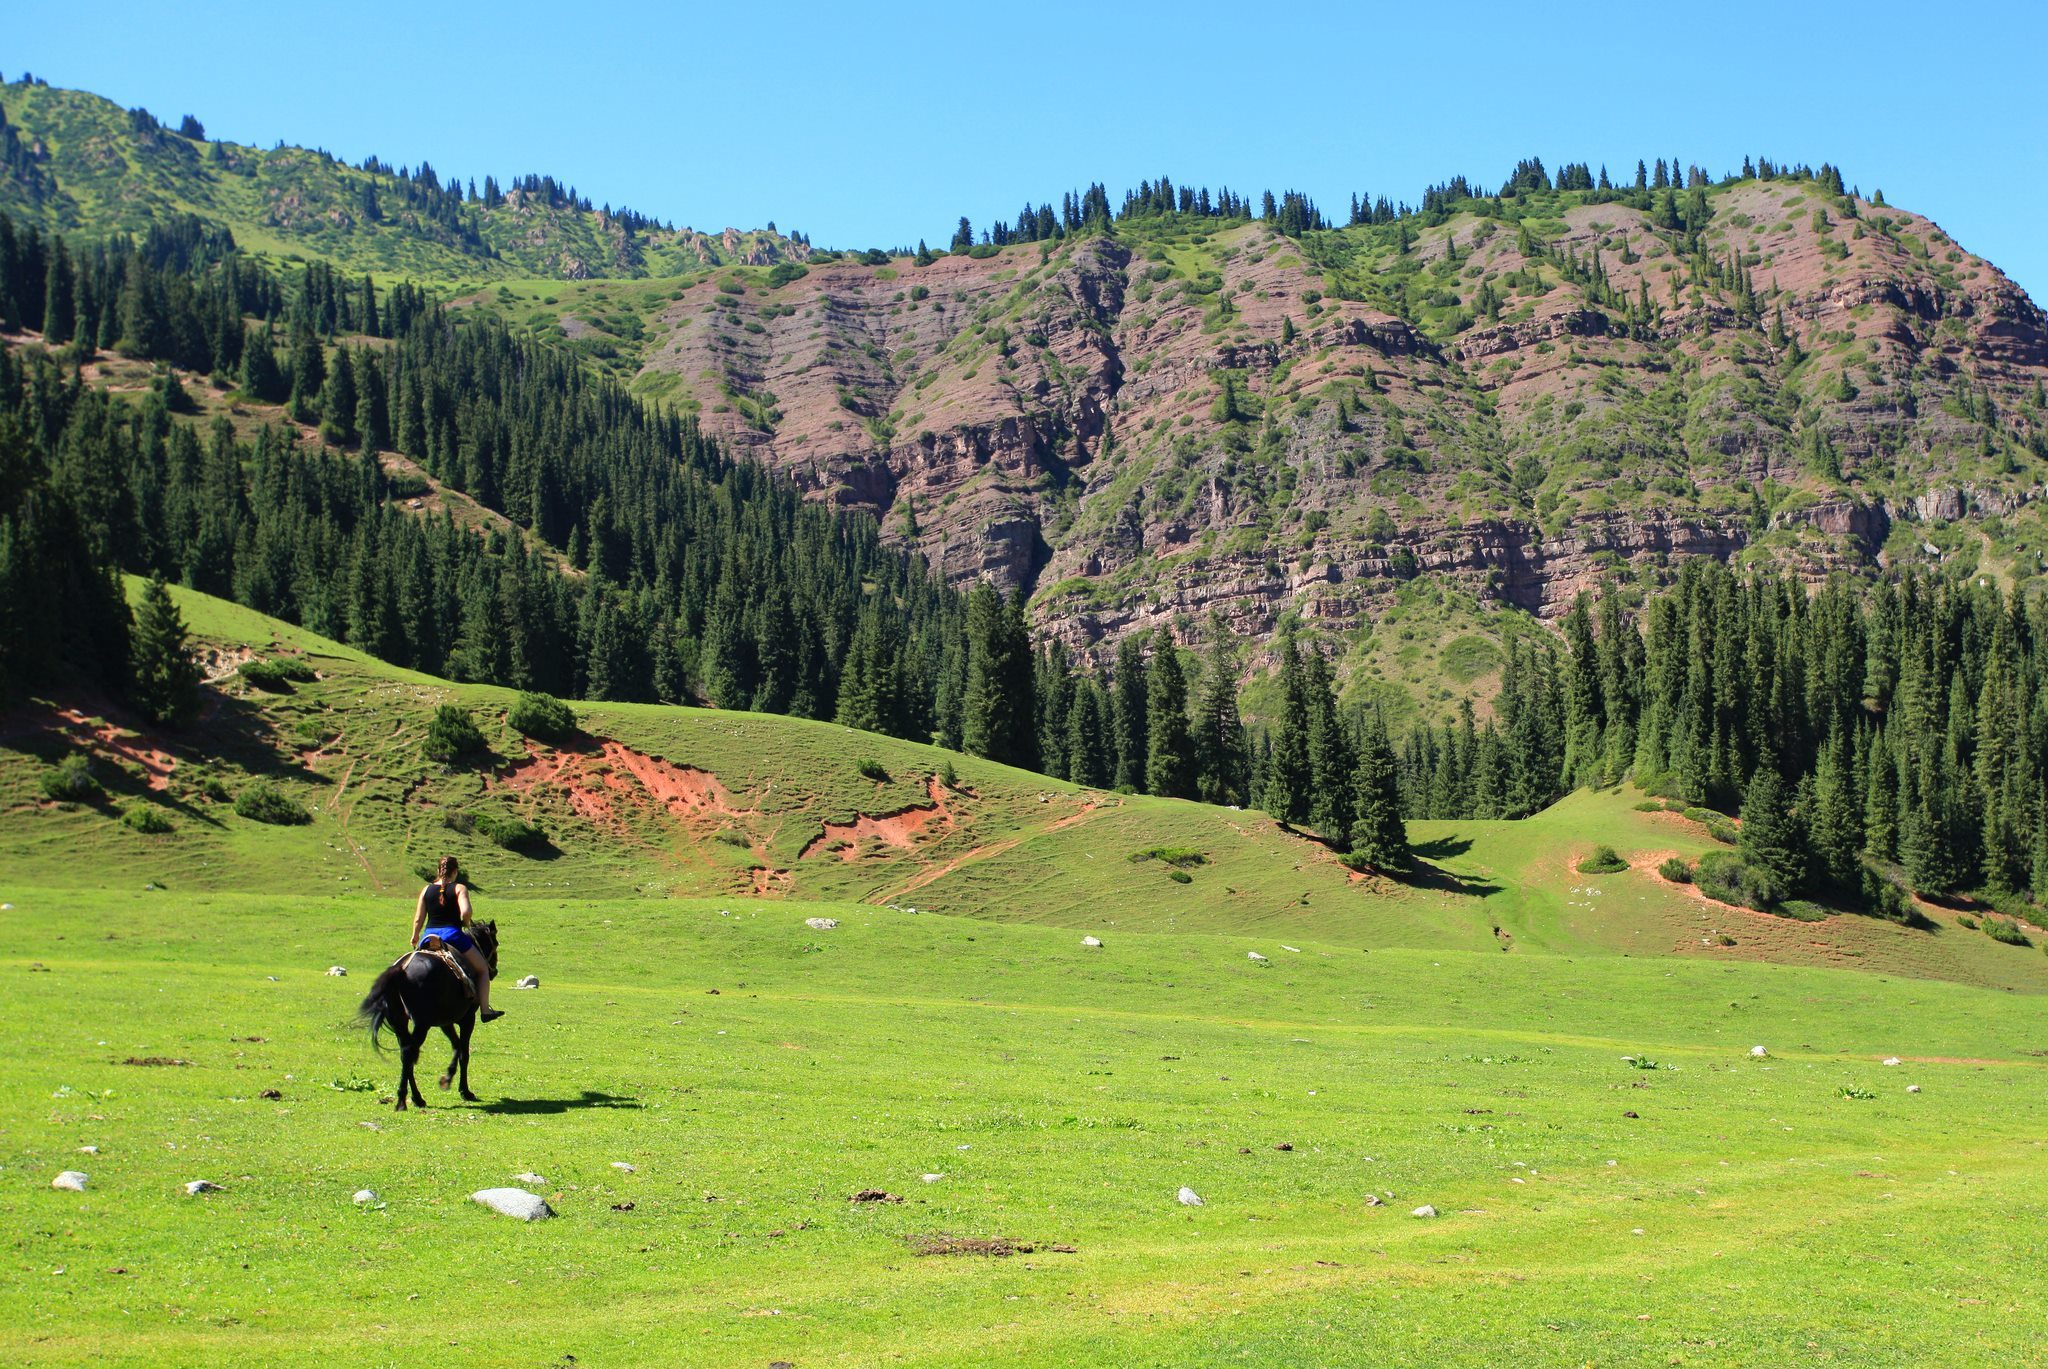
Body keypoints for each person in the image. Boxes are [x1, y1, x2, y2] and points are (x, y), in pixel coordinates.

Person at [411, 855, 502, 1022]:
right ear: (455, 872)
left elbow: (418, 918)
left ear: (438, 871)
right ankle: (485, 1010)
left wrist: (415, 936)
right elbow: (466, 912)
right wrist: (466, 922)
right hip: (452, 935)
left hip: (429, 936)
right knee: (482, 968)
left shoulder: (426, 890)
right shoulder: (459, 888)